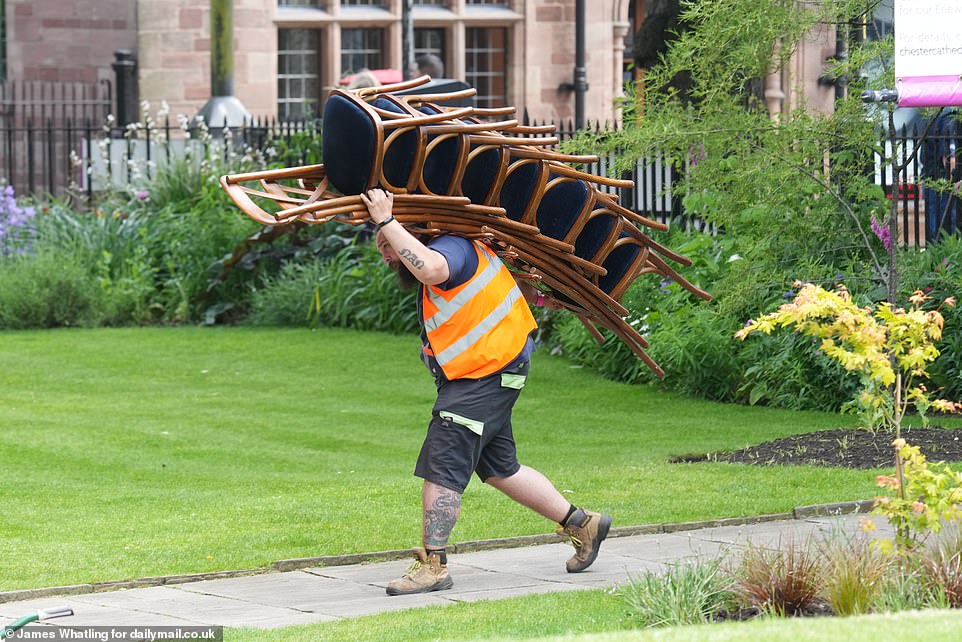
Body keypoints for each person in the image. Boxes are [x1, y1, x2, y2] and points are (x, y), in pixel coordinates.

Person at [360, 188, 612, 596]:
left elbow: (431, 269)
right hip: (491, 372)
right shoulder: (461, 247)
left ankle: (434, 565)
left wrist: (387, 220)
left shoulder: (451, 249)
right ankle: (582, 523)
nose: (387, 256)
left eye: (387, 245)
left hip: (484, 375)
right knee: (499, 468)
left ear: (415, 232)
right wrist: (388, 228)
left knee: (443, 463)